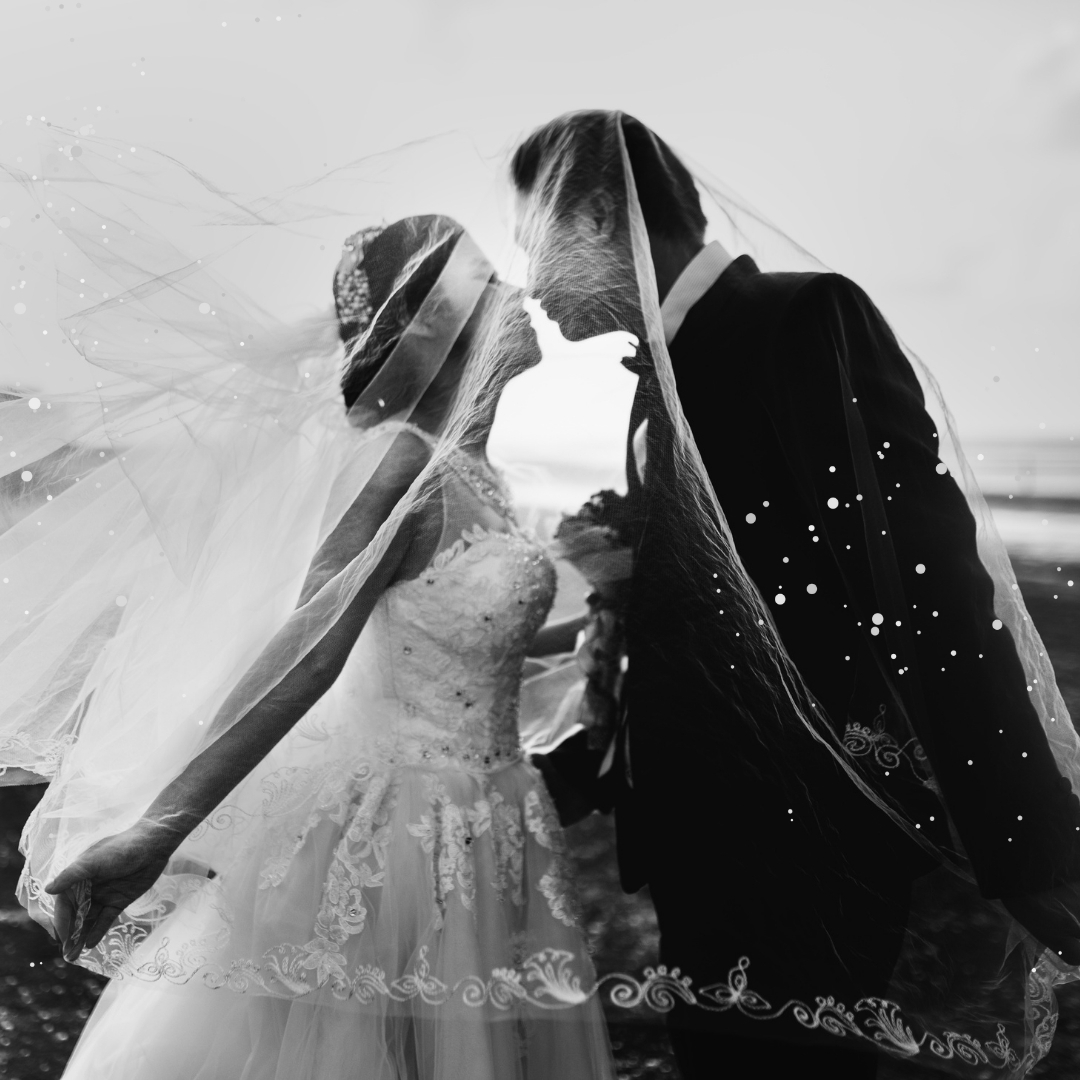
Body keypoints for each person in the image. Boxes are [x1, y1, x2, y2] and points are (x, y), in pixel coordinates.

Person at [512, 111, 1080, 1078]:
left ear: (601, 215)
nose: (531, 281)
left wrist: (1025, 838)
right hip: (706, 846)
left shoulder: (801, 321)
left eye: (534, 240)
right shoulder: (662, 375)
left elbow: (931, 588)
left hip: (805, 849)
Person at [8, 214, 616, 1079]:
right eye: (492, 282)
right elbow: (309, 648)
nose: (519, 294)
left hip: (492, 818)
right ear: (439, 326)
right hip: (397, 838)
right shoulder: (401, 467)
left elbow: (452, 641)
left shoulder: (478, 473)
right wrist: (160, 828)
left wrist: (603, 621)